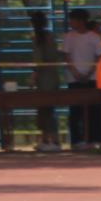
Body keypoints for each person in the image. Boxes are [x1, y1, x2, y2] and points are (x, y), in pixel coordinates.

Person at [63, 8, 101, 149]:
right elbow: (67, 56)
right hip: (73, 78)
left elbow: (99, 57)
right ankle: (77, 140)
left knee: (94, 110)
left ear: (81, 21)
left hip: (92, 78)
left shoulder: (94, 37)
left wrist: (89, 73)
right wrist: (75, 73)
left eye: (72, 20)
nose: (70, 22)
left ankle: (95, 139)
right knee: (75, 110)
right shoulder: (69, 36)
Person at [29, 11, 62, 151]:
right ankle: (51, 140)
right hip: (53, 75)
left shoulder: (37, 38)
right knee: (49, 109)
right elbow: (55, 54)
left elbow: (38, 60)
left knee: (44, 110)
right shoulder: (51, 36)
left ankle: (50, 140)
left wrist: (33, 76)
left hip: (43, 78)